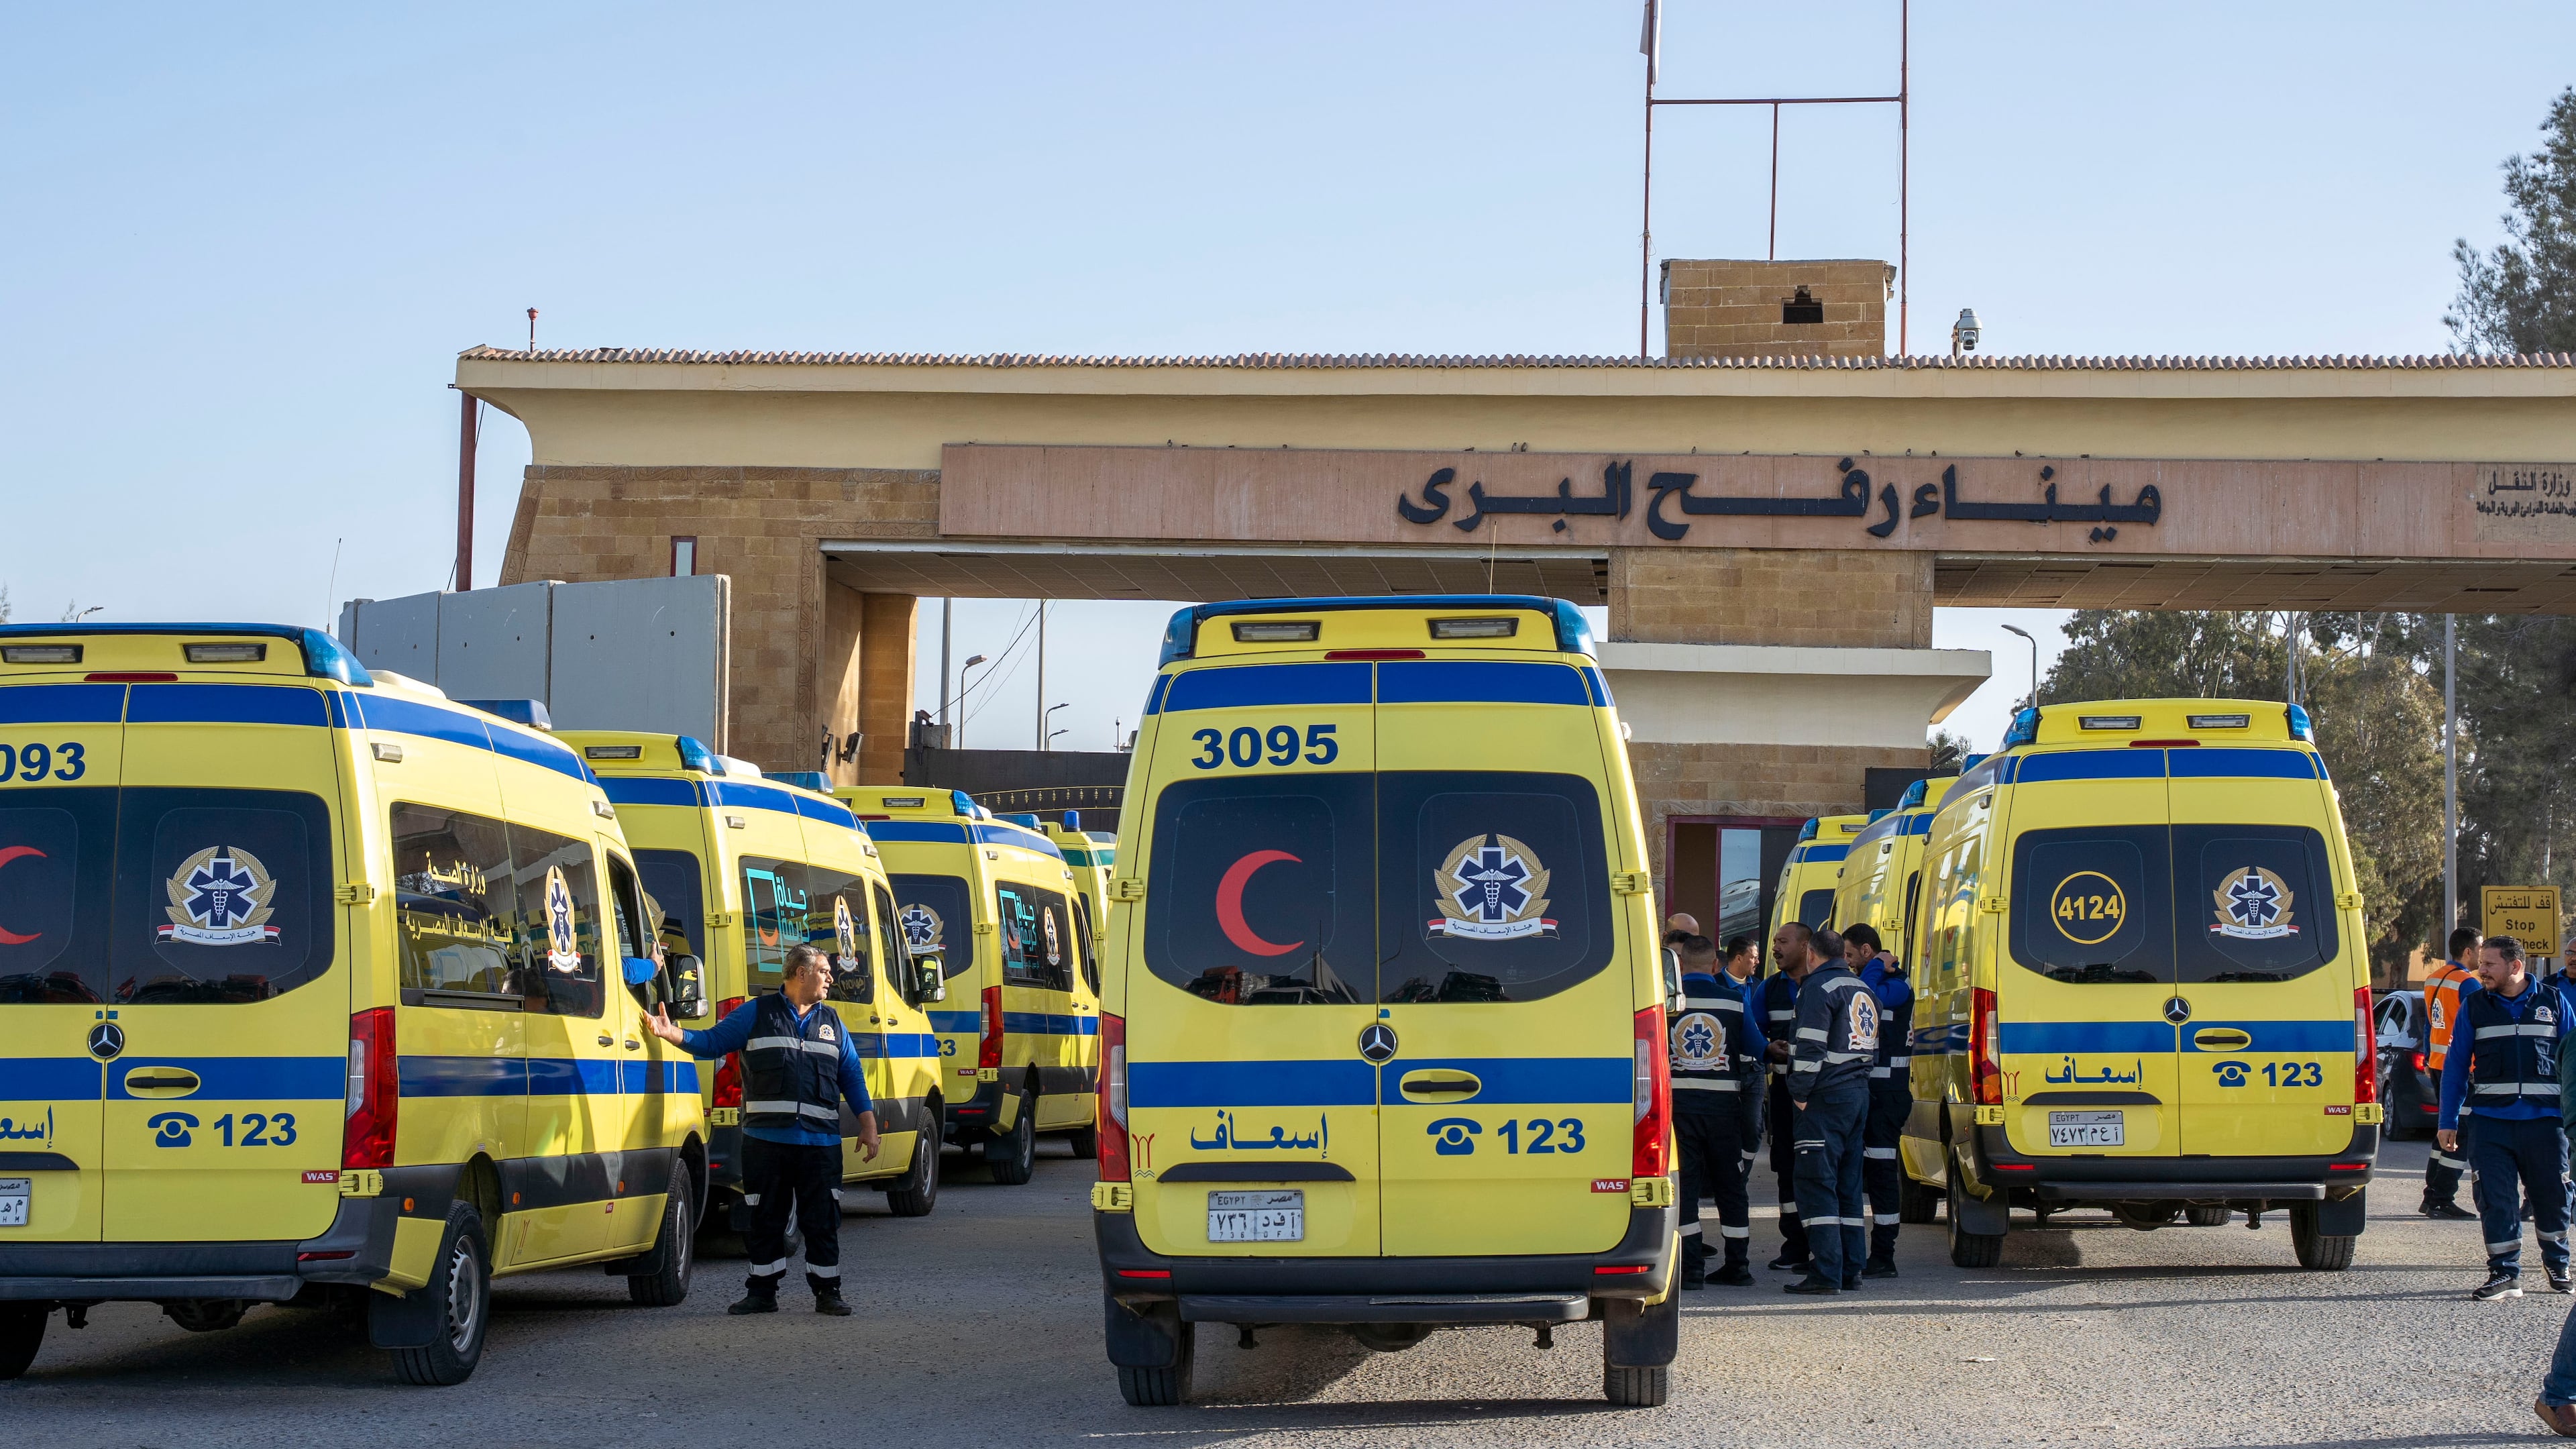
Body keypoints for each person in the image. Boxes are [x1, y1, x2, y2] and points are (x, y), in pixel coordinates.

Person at [643, 943, 881, 1316]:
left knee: (823, 1220)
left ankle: (828, 1293)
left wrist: (868, 1125)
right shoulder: (756, 1014)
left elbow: (851, 1075)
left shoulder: (833, 1023)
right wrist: (673, 1034)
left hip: (820, 1144)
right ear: (800, 974)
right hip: (766, 1143)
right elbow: (712, 1042)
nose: (830, 977)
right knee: (764, 1218)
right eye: (823, 970)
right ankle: (762, 1292)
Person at [2436, 935, 2574, 1301]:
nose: (2481, 970)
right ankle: (2505, 1274)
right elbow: (2454, 1068)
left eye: (2489, 965)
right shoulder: (2474, 1006)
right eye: (2481, 964)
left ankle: (2558, 1265)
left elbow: (2574, 1062)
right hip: (2491, 1123)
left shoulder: (2554, 1001)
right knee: (2495, 1198)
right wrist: (2447, 1120)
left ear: (2515, 966)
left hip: (2547, 1124)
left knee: (2552, 1196)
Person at [1670, 936, 1766, 1288]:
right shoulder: (1734, 1001)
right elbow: (1757, 1049)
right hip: (1725, 1111)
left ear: (1680, 967)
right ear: (1715, 966)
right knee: (1731, 1188)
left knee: (1687, 1188)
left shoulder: (1666, 1004)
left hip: (1680, 1114)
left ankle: (1692, 1269)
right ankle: (1738, 1266)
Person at [1784, 925, 1872, 1295]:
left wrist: (1800, 1093)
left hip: (1825, 1098)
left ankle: (1826, 1272)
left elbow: (1809, 1047)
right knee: (1848, 1186)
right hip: (1858, 1093)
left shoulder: (1817, 989)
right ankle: (1852, 1268)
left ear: (1811, 954)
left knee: (1817, 1184)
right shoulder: (1862, 989)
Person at [1845, 922, 1911, 1277]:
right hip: (1871, 1093)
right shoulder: (1877, 979)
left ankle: (1884, 1254)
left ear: (1868, 952)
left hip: (1888, 1097)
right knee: (1863, 1172)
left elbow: (1864, 999)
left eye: (1851, 955)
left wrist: (1875, 966)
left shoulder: (1897, 986)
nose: (1848, 962)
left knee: (1884, 1177)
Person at [1761, 922, 1823, 1271]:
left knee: (1819, 1169)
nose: (1775, 948)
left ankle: (1824, 1248)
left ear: (1805, 947)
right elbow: (1751, 1031)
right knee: (1787, 1168)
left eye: (1783, 941)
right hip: (1785, 1095)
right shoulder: (1769, 989)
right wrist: (1767, 1048)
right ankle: (1795, 1246)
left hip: (1820, 1097)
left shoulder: (1824, 986)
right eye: (1774, 942)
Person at [2423, 926, 2484, 1220]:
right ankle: (2441, 1198)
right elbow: (2480, 1028)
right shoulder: (2468, 984)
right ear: (2469, 951)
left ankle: (2430, 1195)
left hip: (2438, 1063)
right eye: (2481, 948)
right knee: (2459, 1135)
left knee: (2443, 1132)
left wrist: (2426, 1055)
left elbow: (2428, 1024)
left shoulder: (2435, 978)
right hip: (2462, 1069)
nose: (2483, 955)